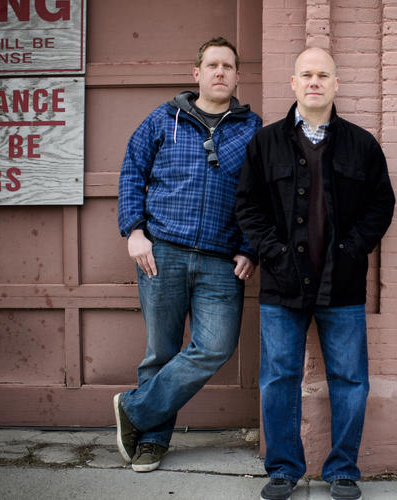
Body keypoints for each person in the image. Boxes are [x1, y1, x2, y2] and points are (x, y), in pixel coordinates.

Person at [235, 47, 395, 500]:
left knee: (349, 378)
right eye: (306, 74)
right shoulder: (264, 143)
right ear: (293, 82)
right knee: (278, 378)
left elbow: (381, 206)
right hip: (281, 286)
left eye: (323, 74)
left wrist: (351, 250)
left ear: (336, 83)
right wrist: (274, 252)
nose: (314, 82)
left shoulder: (362, 144)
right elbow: (247, 206)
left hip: (342, 285)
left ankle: (343, 469)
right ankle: (284, 469)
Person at [115, 37, 261, 473]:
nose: (220, 72)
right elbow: (131, 172)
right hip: (163, 253)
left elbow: (263, 195)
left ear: (237, 76)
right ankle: (152, 441)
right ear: (196, 73)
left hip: (221, 260)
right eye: (212, 65)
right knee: (160, 350)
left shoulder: (252, 129)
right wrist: (134, 231)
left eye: (228, 66)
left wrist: (250, 248)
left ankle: (134, 409)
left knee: (215, 346)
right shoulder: (163, 119)